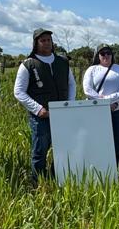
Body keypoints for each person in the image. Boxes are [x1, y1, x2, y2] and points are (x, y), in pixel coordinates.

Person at [13, 27, 77, 183]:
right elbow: (19, 92)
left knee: (62, 148)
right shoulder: (28, 64)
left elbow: (72, 85)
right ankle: (38, 183)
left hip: (62, 114)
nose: (47, 43)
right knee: (40, 151)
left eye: (49, 40)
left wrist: (70, 104)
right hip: (41, 117)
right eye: (43, 40)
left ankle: (59, 179)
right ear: (36, 43)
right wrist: (38, 109)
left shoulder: (62, 62)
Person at [82, 44, 119, 163]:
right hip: (96, 111)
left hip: (117, 110)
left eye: (108, 53)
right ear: (98, 56)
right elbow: (87, 90)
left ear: (112, 55)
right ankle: (98, 165)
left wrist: (110, 99)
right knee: (96, 139)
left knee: (117, 140)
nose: (106, 55)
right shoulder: (92, 69)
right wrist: (105, 104)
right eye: (102, 53)